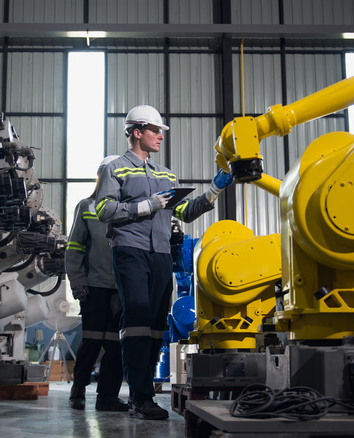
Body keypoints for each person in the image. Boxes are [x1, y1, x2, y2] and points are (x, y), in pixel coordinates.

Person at [94, 104, 234, 420]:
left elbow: (183, 212)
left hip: (160, 256)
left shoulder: (165, 174)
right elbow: (103, 209)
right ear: (136, 131)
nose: (160, 136)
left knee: (156, 325)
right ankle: (140, 397)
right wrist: (145, 206)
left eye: (161, 132)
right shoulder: (115, 169)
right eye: (156, 130)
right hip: (129, 252)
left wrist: (214, 190)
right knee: (138, 321)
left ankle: (143, 394)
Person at [65, 155, 129, 412]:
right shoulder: (86, 207)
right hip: (94, 286)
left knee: (115, 345)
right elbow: (74, 248)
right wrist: (78, 282)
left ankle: (107, 397)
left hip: (121, 288)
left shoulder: (128, 210)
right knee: (91, 340)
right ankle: (78, 389)